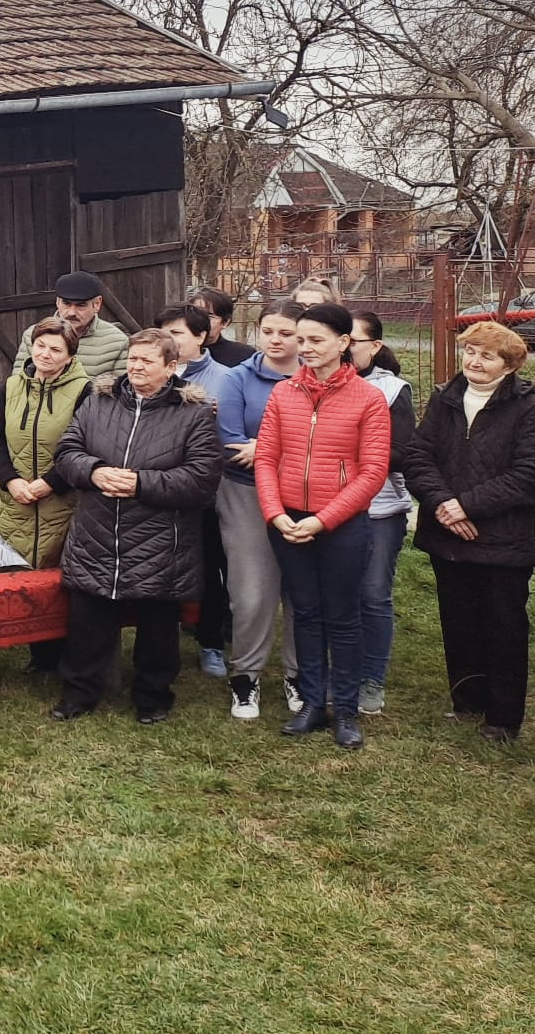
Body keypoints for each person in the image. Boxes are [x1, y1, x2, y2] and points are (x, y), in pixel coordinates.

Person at [46, 328, 223, 724]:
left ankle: (153, 697)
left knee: (158, 625)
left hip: (160, 539)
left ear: (171, 367)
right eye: (133, 358)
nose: (136, 366)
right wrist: (94, 472)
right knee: (88, 620)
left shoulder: (193, 413)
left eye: (147, 360)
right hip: (97, 532)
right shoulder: (98, 401)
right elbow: (67, 452)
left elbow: (202, 478)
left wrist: (141, 483)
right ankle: (78, 693)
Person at [404, 321, 535, 742]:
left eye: (487, 356)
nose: (474, 361)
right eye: (470, 351)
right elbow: (417, 457)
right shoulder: (445, 398)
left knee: (504, 626)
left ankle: (503, 718)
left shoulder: (528, 407)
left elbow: (534, 474)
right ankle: (467, 700)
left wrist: (467, 505)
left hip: (503, 540)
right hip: (448, 536)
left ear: (509, 366)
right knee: (459, 621)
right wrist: (443, 505)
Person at [254, 302, 392, 750]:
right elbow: (266, 458)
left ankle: (346, 710)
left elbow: (372, 472)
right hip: (288, 521)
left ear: (343, 342)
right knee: (305, 613)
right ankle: (312, 703)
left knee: (343, 616)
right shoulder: (284, 393)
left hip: (341, 524)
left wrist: (322, 520)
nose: (305, 348)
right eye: (302, 339)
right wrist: (275, 513)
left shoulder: (368, 398)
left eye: (316, 340)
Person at [212, 299, 305, 721]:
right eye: (268, 331)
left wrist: (264, 448)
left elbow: (324, 443)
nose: (275, 340)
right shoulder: (237, 378)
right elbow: (231, 443)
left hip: (306, 496)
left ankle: (299, 675)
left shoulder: (315, 378)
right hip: (245, 494)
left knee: (302, 592)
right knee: (251, 593)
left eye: (286, 333)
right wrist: (287, 450)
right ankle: (246, 678)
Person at [0, 317, 89, 673]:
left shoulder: (85, 391)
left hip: (61, 501)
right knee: (21, 575)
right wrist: (10, 480)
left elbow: (87, 446)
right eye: (40, 345)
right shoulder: (12, 386)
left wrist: (51, 482)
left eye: (55, 349)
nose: (45, 354)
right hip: (18, 499)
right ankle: (37, 653)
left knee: (58, 581)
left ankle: (62, 655)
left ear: (70, 355)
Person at [157, 304, 233, 679]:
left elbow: (235, 436)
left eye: (177, 333)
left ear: (201, 336)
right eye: (164, 333)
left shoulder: (225, 379)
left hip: (208, 493)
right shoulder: (155, 373)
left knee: (211, 570)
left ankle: (211, 643)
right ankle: (161, 641)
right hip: (160, 489)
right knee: (162, 570)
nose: (169, 340)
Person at [348, 311, 415, 717]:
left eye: (354, 340)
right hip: (321, 507)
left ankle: (371, 678)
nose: (345, 347)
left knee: (372, 595)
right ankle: (334, 673)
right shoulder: (310, 383)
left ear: (374, 347)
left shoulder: (392, 390)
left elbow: (401, 452)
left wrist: (341, 454)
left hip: (379, 509)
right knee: (333, 596)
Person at [12, 270, 131, 380]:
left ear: (97, 304)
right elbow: (17, 385)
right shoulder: (33, 335)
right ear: (57, 302)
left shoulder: (118, 342)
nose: (71, 313)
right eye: (66, 303)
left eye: (81, 305)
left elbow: (122, 392)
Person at [190, 286, 256, 368]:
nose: (200, 320)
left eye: (209, 316)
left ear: (225, 322)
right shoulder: (179, 351)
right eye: (196, 314)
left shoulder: (243, 356)